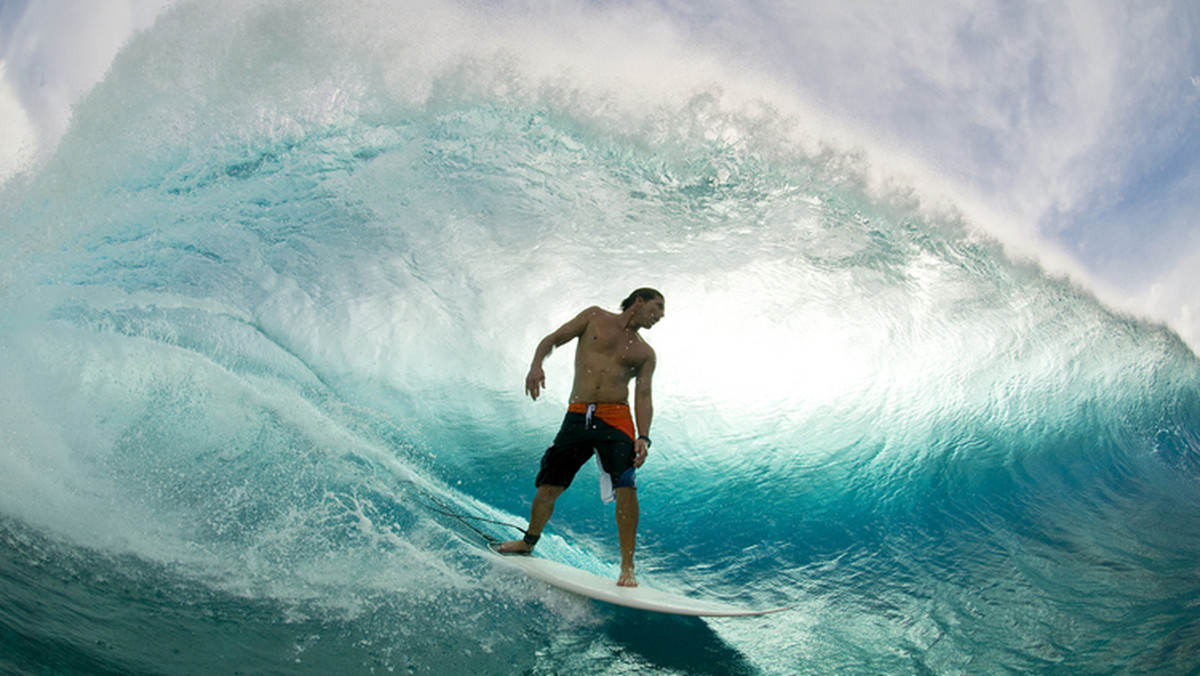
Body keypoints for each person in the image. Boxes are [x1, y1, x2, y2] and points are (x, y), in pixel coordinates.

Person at [496, 288, 665, 587]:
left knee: (626, 486)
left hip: (617, 419)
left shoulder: (644, 353)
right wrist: (537, 365)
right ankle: (528, 542)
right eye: (657, 307)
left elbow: (644, 395)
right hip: (577, 414)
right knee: (549, 486)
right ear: (638, 301)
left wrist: (644, 437)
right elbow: (552, 340)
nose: (661, 315)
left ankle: (627, 567)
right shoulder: (594, 317)